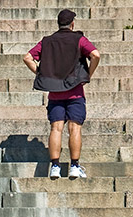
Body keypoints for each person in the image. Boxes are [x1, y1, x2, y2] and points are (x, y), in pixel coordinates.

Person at [23, 9, 100, 180]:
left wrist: (41, 74)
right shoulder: (79, 39)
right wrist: (88, 74)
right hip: (75, 93)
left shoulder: (47, 41)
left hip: (55, 94)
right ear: (72, 24)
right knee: (75, 128)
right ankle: (74, 166)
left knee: (56, 128)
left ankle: (55, 166)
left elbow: (27, 57)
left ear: (58, 23)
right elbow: (95, 55)